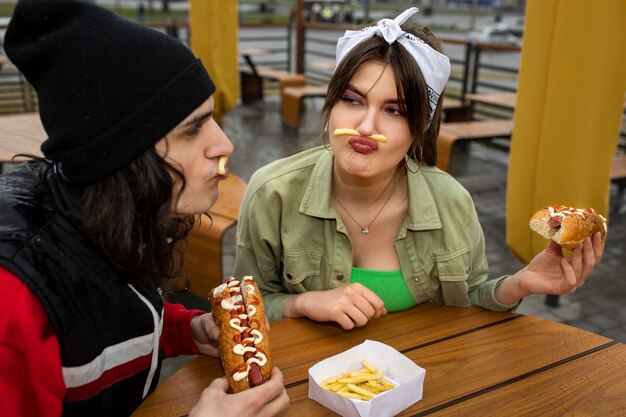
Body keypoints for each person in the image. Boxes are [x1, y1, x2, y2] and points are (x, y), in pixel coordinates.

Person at [0, 1, 289, 416]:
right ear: (122, 157)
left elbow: (106, 312)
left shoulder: (104, 213)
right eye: (193, 129)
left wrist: (182, 330)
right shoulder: (12, 306)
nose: (225, 145)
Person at [232, 8, 603, 330]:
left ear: (420, 128)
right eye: (352, 100)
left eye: (395, 110)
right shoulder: (271, 194)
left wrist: (520, 285)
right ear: (331, 105)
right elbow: (245, 310)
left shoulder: (452, 203)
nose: (365, 126)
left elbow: (471, 298)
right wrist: (301, 304)